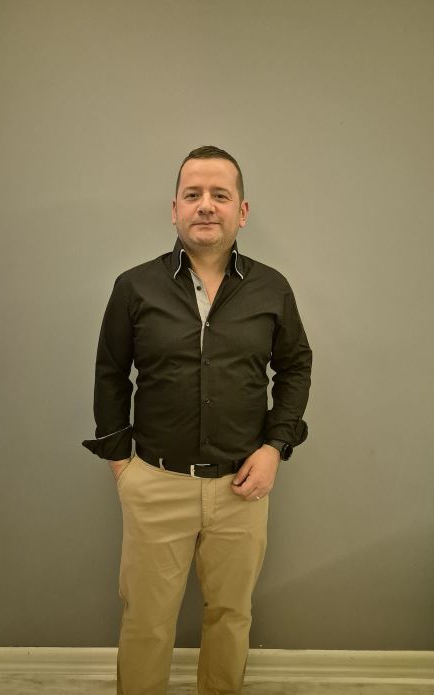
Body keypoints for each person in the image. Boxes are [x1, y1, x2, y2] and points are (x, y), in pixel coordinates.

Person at [82, 145, 312, 695]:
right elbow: (110, 373)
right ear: (175, 209)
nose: (206, 205)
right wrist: (122, 466)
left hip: (242, 489)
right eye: (193, 194)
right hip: (156, 482)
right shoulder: (134, 286)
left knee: (231, 616)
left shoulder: (272, 288)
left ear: (242, 211)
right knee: (146, 621)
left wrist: (274, 448)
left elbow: (296, 366)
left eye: (219, 195)